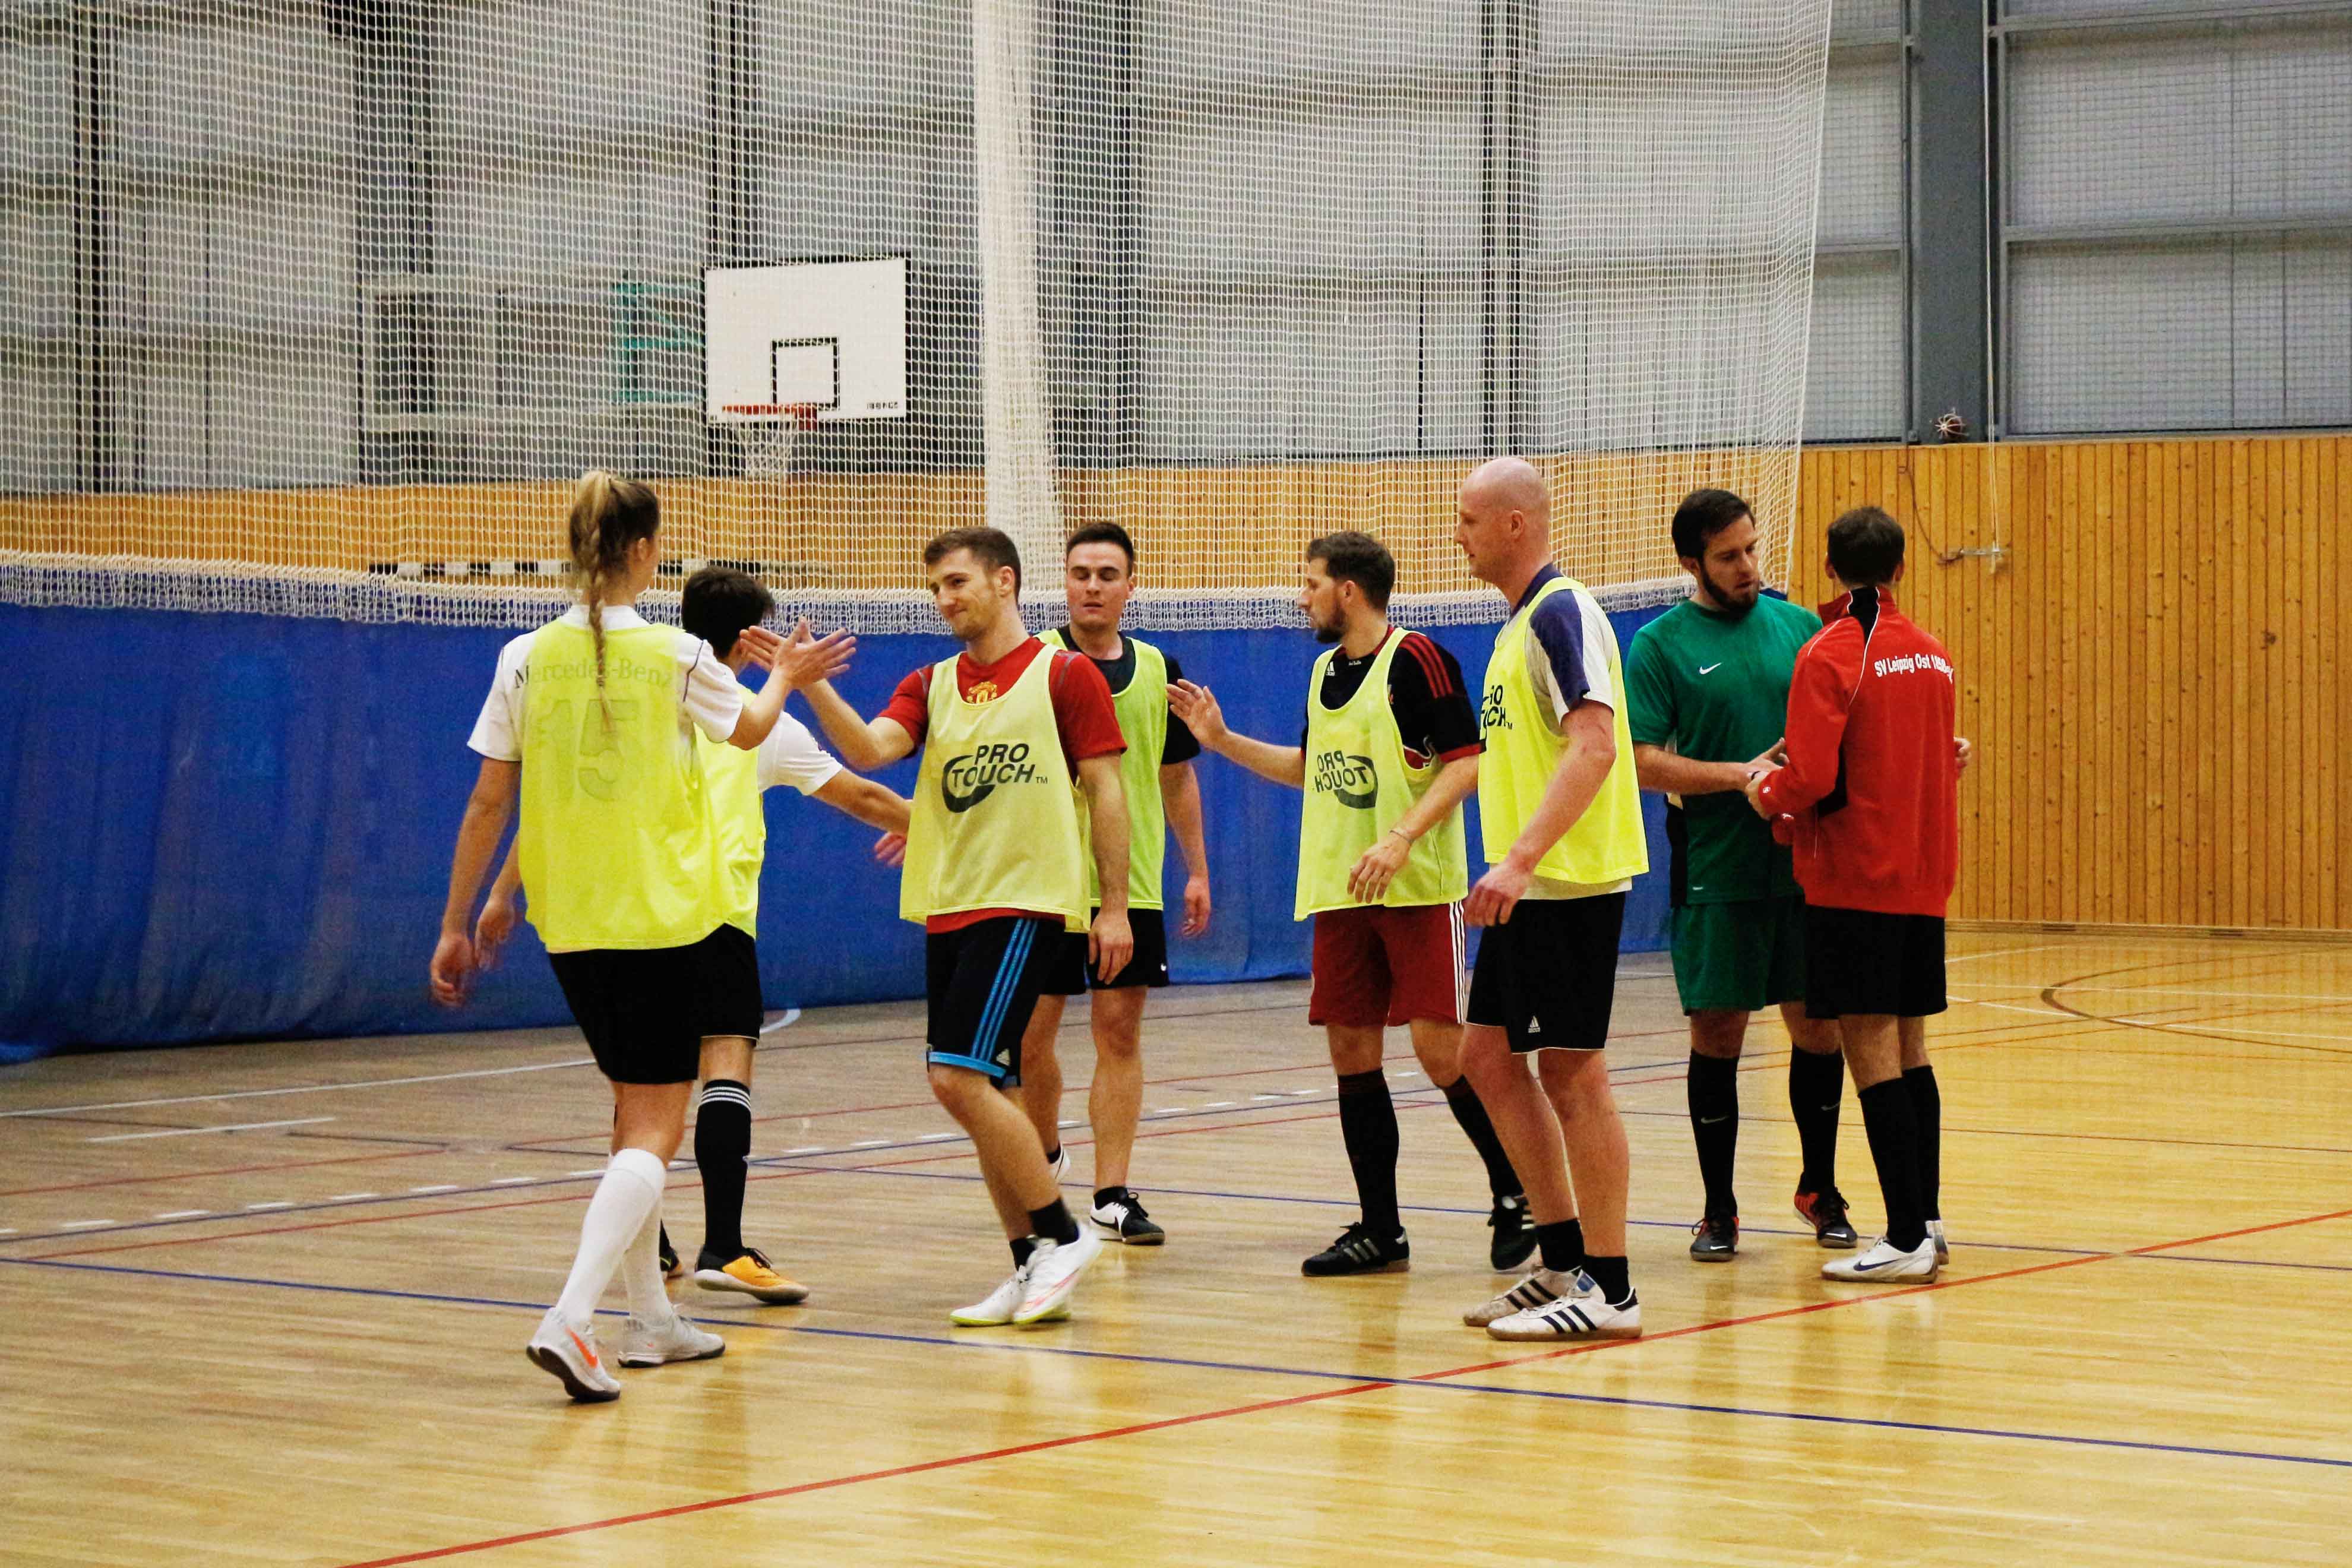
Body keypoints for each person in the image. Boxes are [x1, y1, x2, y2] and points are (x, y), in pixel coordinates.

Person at [428, 470, 848, 1401]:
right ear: (647, 551)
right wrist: (786, 674)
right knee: (655, 1129)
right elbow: (751, 731)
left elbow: (489, 800)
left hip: (571, 923)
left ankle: (652, 1321)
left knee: (630, 1119)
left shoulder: (523, 657)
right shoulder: (675, 653)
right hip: (662, 919)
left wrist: (458, 921)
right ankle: (570, 1318)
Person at [473, 566, 911, 1307]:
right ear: (751, 638)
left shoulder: (642, 699)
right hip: (714, 914)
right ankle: (725, 1245)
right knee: (724, 1068)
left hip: (630, 915)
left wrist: (499, 892)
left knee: (639, 1093)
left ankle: (644, 1242)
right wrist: (942, 832)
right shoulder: (760, 721)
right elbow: (864, 795)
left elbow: (555, 800)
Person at [1170, 531, 1532, 1278]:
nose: (1302, 597)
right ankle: (1380, 1230)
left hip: (1416, 888)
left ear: (1348, 591)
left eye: (1311, 584)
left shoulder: (1417, 658)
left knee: (1441, 1052)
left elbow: (1467, 765)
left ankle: (1517, 1192)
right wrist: (1221, 739)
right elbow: (1310, 770)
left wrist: (1401, 838)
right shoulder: (1322, 672)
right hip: (1341, 891)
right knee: (1351, 1055)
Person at [798, 526, 1131, 1326]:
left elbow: (1107, 791)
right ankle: (1028, 1261)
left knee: (954, 1077)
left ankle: (1064, 1235)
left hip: (1023, 898)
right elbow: (872, 749)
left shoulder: (1065, 674)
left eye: (957, 583)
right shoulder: (932, 682)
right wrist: (812, 688)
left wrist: (1114, 905)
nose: (945, 600)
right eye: (936, 588)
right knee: (992, 1085)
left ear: (1004, 581)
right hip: (949, 899)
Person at [1623, 489, 1856, 1261]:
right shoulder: (1659, 645)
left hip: (1808, 868)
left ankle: (1819, 1189)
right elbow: (1641, 761)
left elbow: (1854, 725)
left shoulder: (1800, 628)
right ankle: (1718, 1210)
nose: (1748, 566)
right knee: (1718, 1036)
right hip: (1717, 871)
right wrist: (1739, 776)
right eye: (1728, 556)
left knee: (1818, 1028)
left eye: (1752, 549)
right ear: (1691, 563)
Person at [1451, 457, 1650, 1342]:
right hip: (1531, 889)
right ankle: (1563, 1260)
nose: (1458, 535)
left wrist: (1522, 860)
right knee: (1487, 1059)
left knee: (1572, 1072)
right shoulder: (1517, 626)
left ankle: (1612, 1289)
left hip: (1566, 883)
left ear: (1515, 524)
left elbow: (1595, 744)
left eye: (1469, 520)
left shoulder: (1560, 612)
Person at [1747, 505, 1960, 1284]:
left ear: (1829, 569)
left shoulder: (1830, 650)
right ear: (1900, 567)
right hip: (1922, 879)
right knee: (1911, 1048)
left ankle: (1903, 1237)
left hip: (1855, 880)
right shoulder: (1933, 655)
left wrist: (1765, 793)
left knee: (1869, 1049)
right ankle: (1927, 1221)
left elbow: (1810, 777)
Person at [1018, 524, 1212, 1245]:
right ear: (1064, 583)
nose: (1093, 586)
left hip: (1129, 886)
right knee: (1030, 1038)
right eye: (1081, 573)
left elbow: (1176, 776)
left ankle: (1111, 1193)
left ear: (1131, 586)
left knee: (1119, 1032)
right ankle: (1042, 1156)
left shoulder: (1160, 670)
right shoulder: (1033, 663)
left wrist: (1197, 869)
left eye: (1107, 574)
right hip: (1044, 882)